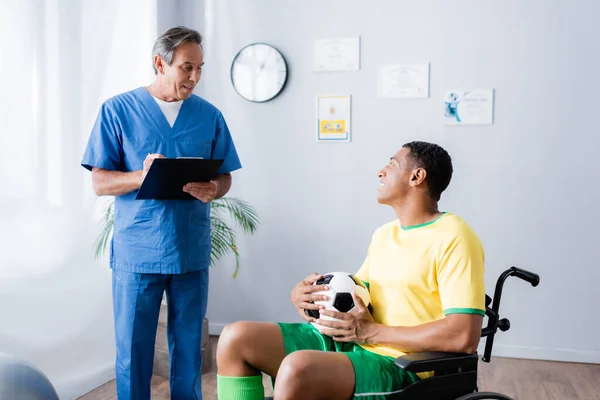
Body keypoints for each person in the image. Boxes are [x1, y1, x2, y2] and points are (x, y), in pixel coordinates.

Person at [216, 141, 485, 400]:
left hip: (404, 364)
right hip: (357, 344)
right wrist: (311, 297)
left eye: (391, 164)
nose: (381, 171)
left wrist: (371, 332)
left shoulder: (455, 236)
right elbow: (360, 293)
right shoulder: (385, 234)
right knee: (235, 338)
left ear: (417, 176)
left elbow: (463, 335)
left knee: (298, 368)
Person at [81, 26, 241, 399]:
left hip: (190, 249)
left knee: (188, 352)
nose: (194, 78)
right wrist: (142, 175)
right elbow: (101, 183)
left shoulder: (209, 115)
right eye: (187, 67)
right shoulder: (118, 110)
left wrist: (214, 188)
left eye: (200, 68)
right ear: (160, 63)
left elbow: (225, 176)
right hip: (139, 251)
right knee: (133, 352)